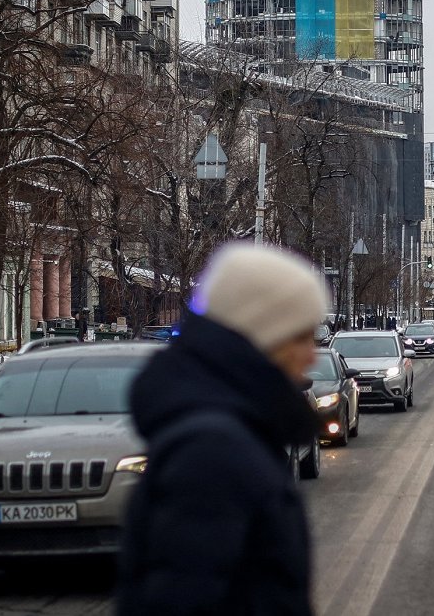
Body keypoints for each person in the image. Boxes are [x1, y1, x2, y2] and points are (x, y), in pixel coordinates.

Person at [117, 243, 326, 615]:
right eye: (300, 336)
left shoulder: (231, 431)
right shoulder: (213, 454)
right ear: (262, 333)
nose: (312, 354)